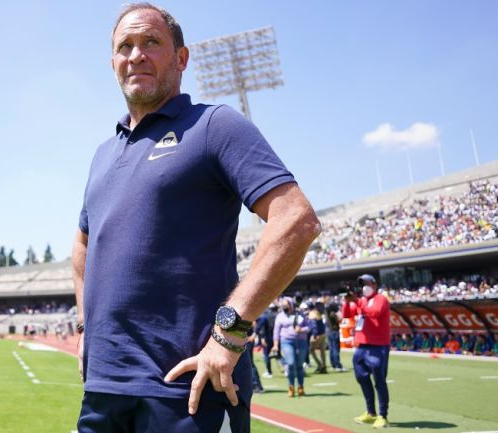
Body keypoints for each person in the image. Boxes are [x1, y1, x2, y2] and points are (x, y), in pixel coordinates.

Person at [73, 4, 320, 432]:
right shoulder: (102, 154)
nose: (136, 55)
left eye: (151, 42)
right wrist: (86, 328)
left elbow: (295, 219)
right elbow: (82, 246)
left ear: (181, 58)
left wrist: (228, 334)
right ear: (113, 63)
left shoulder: (213, 125)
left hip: (190, 393)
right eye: (124, 46)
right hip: (104, 392)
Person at [342, 274, 391, 429]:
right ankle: (371, 412)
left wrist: (356, 301)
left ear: (374, 284)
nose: (364, 287)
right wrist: (347, 301)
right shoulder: (362, 300)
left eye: (366, 283)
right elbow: (347, 315)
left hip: (378, 346)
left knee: (380, 381)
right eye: (361, 284)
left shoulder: (380, 299)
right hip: (362, 346)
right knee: (361, 377)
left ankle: (383, 415)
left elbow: (374, 313)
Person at [272, 298, 310, 397]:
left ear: (292, 305)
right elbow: (276, 331)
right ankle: (291, 386)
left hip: (301, 341)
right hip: (287, 341)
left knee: (299, 365)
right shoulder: (280, 316)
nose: (285, 308)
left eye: (286, 306)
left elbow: (309, 327)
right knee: (291, 363)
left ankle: (301, 386)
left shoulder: (300, 314)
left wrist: (301, 329)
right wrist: (275, 345)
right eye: (283, 306)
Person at [255, 303, 277, 378]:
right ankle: (286, 368)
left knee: (266, 355)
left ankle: (269, 372)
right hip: (273, 337)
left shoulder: (263, 316)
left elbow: (262, 328)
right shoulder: (272, 315)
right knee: (277, 354)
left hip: (267, 338)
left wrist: (263, 338)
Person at [307, 303, 328, 374]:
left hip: (318, 334)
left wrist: (314, 335)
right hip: (323, 333)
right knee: (322, 350)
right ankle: (324, 366)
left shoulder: (312, 314)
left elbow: (314, 325)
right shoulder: (317, 313)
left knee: (311, 350)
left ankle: (320, 365)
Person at [325, 302, 345, 371]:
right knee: (336, 348)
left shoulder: (327, 312)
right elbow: (340, 319)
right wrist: (340, 314)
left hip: (328, 331)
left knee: (331, 348)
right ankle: (337, 365)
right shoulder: (332, 313)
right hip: (334, 330)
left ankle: (333, 364)